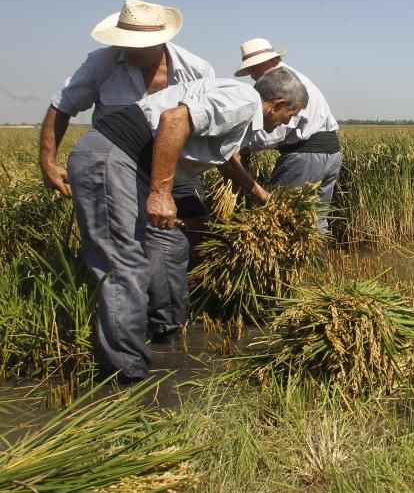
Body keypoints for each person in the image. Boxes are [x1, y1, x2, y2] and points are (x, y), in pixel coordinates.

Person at [67, 68, 307, 383]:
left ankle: (164, 333)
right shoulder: (244, 101)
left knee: (171, 246)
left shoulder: (241, 107)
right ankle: (128, 376)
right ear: (275, 103)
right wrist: (161, 194)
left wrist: (259, 194)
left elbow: (223, 157)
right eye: (290, 113)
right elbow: (173, 121)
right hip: (115, 157)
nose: (288, 122)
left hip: (134, 165)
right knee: (124, 265)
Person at [40, 0, 215, 344]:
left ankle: (165, 327)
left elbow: (213, 130)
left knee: (171, 247)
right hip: (118, 169)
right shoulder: (101, 64)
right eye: (124, 43)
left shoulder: (196, 70)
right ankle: (135, 335)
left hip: (172, 172)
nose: (129, 51)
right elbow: (61, 107)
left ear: (162, 40)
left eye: (138, 45)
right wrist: (47, 161)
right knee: (124, 251)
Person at [234, 38, 342, 233]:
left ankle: (287, 264)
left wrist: (242, 145)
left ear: (265, 63)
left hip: (304, 158)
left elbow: (277, 129)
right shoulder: (294, 77)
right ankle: (317, 263)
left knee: (283, 221)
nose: (251, 76)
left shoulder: (282, 85)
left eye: (252, 69)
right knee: (315, 223)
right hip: (330, 154)